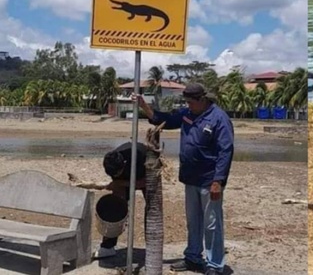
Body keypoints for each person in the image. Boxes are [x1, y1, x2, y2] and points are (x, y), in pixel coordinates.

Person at [132, 83, 234, 275]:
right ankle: (193, 258)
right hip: (190, 178)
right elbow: (165, 120)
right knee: (193, 221)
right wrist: (143, 105)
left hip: (209, 180)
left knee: (212, 224)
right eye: (185, 101)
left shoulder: (219, 118)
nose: (188, 105)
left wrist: (218, 181)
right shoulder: (187, 114)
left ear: (202, 100)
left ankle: (215, 266)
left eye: (190, 102)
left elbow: (225, 151)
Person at [93, 141, 148, 259]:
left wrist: (118, 182)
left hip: (144, 174)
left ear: (123, 164)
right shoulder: (112, 163)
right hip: (124, 180)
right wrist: (118, 182)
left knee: (152, 209)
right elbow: (117, 180)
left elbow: (145, 182)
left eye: (117, 173)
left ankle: (152, 244)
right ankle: (108, 246)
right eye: (113, 175)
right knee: (115, 206)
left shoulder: (141, 155)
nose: (115, 176)